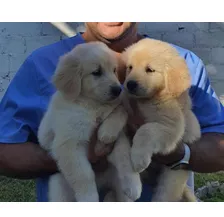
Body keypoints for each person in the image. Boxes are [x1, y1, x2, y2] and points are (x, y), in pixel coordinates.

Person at [0, 22, 224, 202]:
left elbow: (219, 147)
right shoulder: (42, 64)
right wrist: (73, 157)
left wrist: (174, 152)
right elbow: (5, 151)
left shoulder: (182, 62)